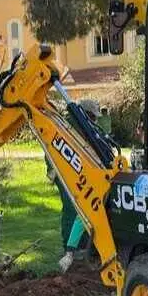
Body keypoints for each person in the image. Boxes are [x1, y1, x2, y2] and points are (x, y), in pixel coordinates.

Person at [50, 98, 101, 269]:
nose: (95, 120)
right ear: (84, 114)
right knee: (72, 208)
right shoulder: (67, 127)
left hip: (79, 172)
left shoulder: (85, 128)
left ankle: (85, 244)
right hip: (61, 172)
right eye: (92, 116)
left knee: (85, 209)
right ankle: (69, 247)